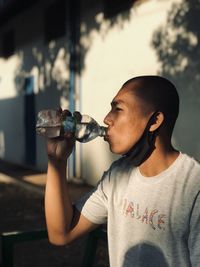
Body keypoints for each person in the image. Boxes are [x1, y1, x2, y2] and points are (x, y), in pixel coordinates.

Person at [45, 75, 200, 267]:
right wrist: (57, 161)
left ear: (155, 120)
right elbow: (61, 233)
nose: (106, 119)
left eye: (118, 109)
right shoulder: (117, 176)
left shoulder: (193, 186)